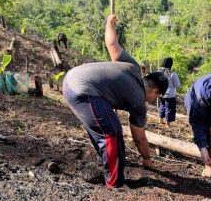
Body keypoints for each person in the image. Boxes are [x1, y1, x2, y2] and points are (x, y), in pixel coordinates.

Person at [63, 14, 168, 188]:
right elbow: (139, 137)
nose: (152, 100)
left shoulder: (132, 67)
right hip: (83, 90)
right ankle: (116, 184)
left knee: (105, 125)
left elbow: (112, 43)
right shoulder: (138, 102)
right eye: (155, 97)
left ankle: (109, 167)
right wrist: (147, 158)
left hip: (72, 79)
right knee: (111, 133)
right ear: (154, 90)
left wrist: (109, 23)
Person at [158, 57, 180, 127]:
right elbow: (177, 85)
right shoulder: (173, 74)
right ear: (171, 64)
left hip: (161, 93)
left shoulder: (159, 72)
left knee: (162, 106)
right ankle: (168, 124)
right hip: (170, 95)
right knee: (169, 108)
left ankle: (160, 120)